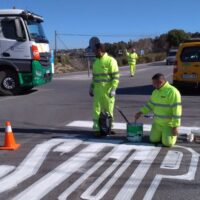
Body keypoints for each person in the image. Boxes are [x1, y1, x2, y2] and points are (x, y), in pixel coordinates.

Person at [134, 73, 182, 147]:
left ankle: (172, 136)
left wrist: (175, 126)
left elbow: (177, 110)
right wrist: (140, 112)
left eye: (154, 83)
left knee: (167, 143)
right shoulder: (155, 92)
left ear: (160, 82)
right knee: (153, 140)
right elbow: (150, 104)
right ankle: (163, 135)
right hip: (157, 123)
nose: (153, 85)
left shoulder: (172, 92)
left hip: (168, 124)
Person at [89, 43, 120, 136]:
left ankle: (110, 128)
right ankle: (96, 128)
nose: (93, 52)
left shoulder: (111, 60)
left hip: (108, 91)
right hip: (98, 91)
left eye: (94, 50)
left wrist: (114, 88)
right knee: (96, 110)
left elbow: (116, 76)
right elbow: (94, 78)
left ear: (99, 50)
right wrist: (91, 87)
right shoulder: (95, 62)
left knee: (109, 110)